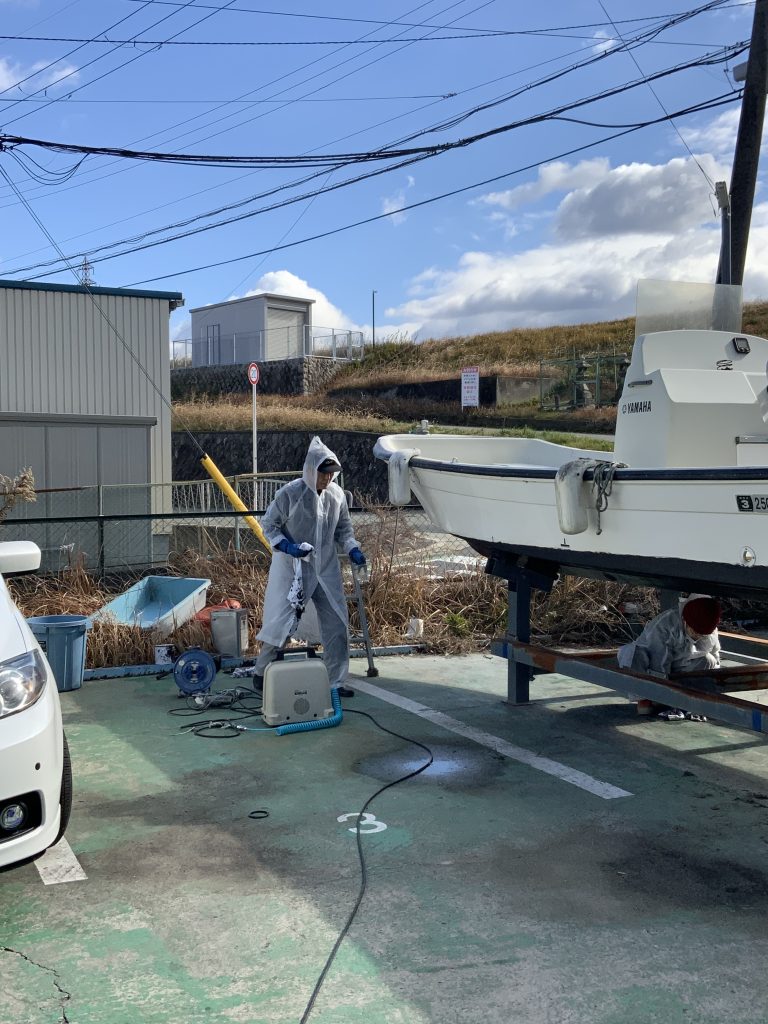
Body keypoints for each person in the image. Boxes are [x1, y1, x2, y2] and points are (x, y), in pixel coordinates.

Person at [253, 436, 366, 697]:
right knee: (281, 622)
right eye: (323, 473)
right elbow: (269, 524)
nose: (327, 478)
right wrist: (287, 546)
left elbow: (344, 529)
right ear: (311, 470)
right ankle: (261, 671)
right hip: (293, 569)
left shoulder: (336, 496)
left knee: (336, 623)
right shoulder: (291, 494)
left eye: (331, 474)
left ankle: (336, 681)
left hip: (325, 569)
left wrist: (352, 548)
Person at [617, 595, 721, 718]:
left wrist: (714, 687)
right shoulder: (665, 624)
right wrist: (663, 695)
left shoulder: (710, 629)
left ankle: (687, 697)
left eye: (702, 635)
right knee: (633, 653)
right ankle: (645, 698)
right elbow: (659, 661)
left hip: (680, 663)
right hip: (651, 663)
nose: (698, 636)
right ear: (685, 621)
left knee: (708, 660)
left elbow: (715, 655)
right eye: (695, 632)